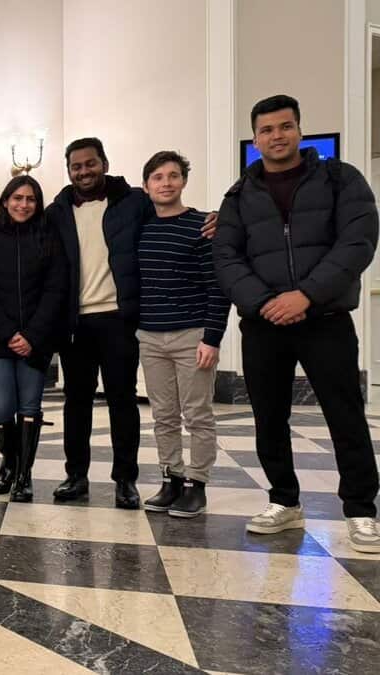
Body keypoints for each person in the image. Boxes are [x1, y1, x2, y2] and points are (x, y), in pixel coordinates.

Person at [214, 94, 380, 552]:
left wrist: (305, 294)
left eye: (285, 127)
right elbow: (226, 257)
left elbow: (358, 241)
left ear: (300, 131)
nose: (276, 136)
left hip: (324, 317)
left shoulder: (340, 179)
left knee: (344, 414)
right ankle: (284, 501)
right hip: (264, 322)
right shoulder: (239, 194)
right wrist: (266, 302)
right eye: (266, 130)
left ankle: (361, 509)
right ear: (255, 139)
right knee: (269, 417)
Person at [45, 138, 155, 509]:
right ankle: (76, 476)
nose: (84, 171)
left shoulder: (133, 201)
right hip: (75, 322)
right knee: (76, 402)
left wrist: (210, 219)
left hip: (118, 318)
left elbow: (170, 216)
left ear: (104, 163)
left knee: (122, 400)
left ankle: (126, 480)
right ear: (69, 171)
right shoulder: (57, 210)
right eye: (76, 166)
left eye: (90, 164)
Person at [137, 151, 230, 518]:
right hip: (150, 335)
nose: (166, 183)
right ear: (146, 186)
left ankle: (197, 484)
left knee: (198, 414)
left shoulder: (202, 225)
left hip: (192, 335)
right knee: (163, 415)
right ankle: (171, 477)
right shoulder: (140, 228)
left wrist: (212, 337)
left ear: (184, 181)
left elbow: (217, 286)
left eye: (173, 175)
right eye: (158, 177)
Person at [0, 175, 67, 502]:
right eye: (17, 198)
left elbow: (55, 289)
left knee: (29, 407)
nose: (23, 205)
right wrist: (9, 333)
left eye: (30, 199)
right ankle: (9, 462)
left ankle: (23, 475)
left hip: (36, 340)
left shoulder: (48, 236)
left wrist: (31, 335)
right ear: (5, 200)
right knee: (1, 408)